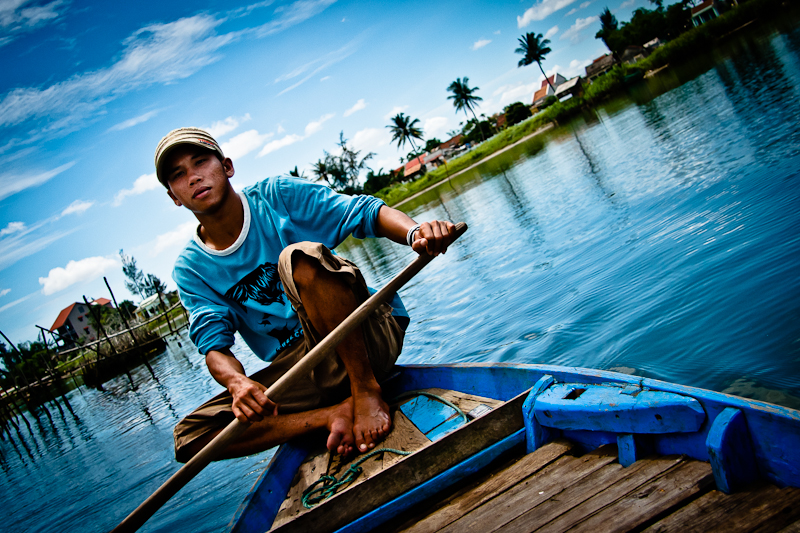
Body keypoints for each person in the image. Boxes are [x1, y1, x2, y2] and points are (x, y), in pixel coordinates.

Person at [156, 127, 456, 463]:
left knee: (298, 257)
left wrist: (415, 232)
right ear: (174, 196)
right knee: (192, 437)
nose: (193, 177)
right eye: (178, 175)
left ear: (227, 167)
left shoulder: (276, 196)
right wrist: (237, 383)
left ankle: (365, 388)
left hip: (365, 335)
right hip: (304, 370)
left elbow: (364, 212)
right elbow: (214, 346)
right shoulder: (190, 269)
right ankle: (330, 415)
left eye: (200, 162)